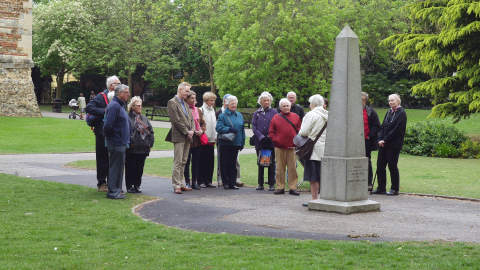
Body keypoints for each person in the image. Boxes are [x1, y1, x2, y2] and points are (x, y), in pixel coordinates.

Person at [85, 75, 121, 192]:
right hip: (101, 132)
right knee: (102, 158)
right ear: (111, 86)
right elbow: (89, 108)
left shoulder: (118, 98)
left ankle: (112, 183)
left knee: (113, 159)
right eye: (118, 83)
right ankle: (101, 183)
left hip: (115, 133)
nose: (120, 85)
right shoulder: (101, 97)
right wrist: (105, 111)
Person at [373, 94, 407, 196]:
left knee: (392, 166)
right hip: (383, 144)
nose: (390, 102)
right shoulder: (389, 112)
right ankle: (381, 188)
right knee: (380, 166)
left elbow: (396, 130)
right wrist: (379, 139)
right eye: (389, 101)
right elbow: (383, 127)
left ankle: (394, 189)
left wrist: (385, 140)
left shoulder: (402, 113)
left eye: (392, 100)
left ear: (398, 101)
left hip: (393, 145)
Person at [298, 95, 328, 206]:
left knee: (313, 176)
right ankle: (325, 199)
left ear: (313, 104)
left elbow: (303, 132)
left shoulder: (311, 115)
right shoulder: (329, 115)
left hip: (312, 149)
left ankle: (315, 200)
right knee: (323, 175)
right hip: (326, 150)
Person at [166, 82, 195, 194]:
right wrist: (186, 131)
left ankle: (182, 183)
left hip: (188, 136)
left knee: (184, 161)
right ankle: (176, 184)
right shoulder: (172, 102)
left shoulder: (185, 103)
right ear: (180, 90)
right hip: (179, 136)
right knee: (178, 161)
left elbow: (191, 119)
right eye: (186, 91)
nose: (188, 94)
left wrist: (192, 130)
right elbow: (176, 120)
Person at [103, 84, 131, 199]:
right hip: (116, 142)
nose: (128, 94)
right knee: (115, 167)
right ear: (119, 93)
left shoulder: (119, 105)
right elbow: (107, 126)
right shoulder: (114, 106)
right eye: (126, 92)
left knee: (119, 167)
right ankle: (113, 191)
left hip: (120, 142)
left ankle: (117, 190)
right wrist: (115, 138)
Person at [269, 98, 301, 195]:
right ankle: (280, 187)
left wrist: (296, 142)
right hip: (279, 148)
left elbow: (300, 130)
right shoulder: (275, 118)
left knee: (292, 169)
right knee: (279, 168)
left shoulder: (296, 117)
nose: (286, 107)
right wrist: (276, 140)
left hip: (292, 147)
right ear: (280, 107)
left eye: (287, 105)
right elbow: (271, 132)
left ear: (290, 106)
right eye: (284, 106)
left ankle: (293, 187)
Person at [125, 96, 154, 194]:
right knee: (130, 167)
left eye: (141, 105)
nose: (140, 107)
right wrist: (130, 142)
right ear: (132, 106)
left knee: (139, 168)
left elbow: (151, 131)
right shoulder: (128, 118)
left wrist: (150, 143)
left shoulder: (144, 118)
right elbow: (126, 132)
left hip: (143, 148)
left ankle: (137, 185)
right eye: (138, 105)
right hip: (132, 148)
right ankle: (129, 186)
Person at [216, 95, 245, 190]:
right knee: (225, 163)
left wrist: (242, 142)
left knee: (233, 164)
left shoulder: (239, 115)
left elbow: (242, 130)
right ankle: (226, 183)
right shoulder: (222, 115)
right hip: (225, 143)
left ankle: (232, 183)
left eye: (235, 103)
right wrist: (229, 129)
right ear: (227, 104)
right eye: (232, 103)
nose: (234, 105)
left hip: (236, 143)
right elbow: (218, 128)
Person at [252, 91, 277, 191]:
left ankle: (271, 184)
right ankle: (260, 184)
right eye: (264, 100)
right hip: (260, 142)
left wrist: (270, 136)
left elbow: (276, 126)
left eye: (268, 100)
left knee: (271, 163)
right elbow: (254, 127)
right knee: (260, 163)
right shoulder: (256, 113)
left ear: (270, 101)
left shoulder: (275, 112)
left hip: (271, 142)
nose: (266, 102)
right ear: (260, 102)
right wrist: (261, 136)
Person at [361, 92, 381, 191]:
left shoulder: (371, 112)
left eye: (362, 100)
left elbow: (376, 125)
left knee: (366, 160)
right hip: (353, 141)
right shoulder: (351, 111)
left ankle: (368, 183)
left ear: (365, 101)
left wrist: (369, 136)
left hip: (366, 140)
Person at [184, 91, 202, 190]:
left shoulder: (198, 110)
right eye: (192, 98)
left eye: (195, 98)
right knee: (186, 161)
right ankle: (187, 181)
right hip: (188, 137)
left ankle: (194, 182)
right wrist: (190, 130)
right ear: (187, 99)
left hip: (197, 138)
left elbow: (203, 123)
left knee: (196, 161)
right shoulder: (184, 110)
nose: (194, 100)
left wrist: (201, 131)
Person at [198, 91, 217, 188]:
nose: (213, 102)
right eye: (211, 100)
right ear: (206, 100)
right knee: (202, 160)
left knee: (210, 161)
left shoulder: (213, 110)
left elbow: (214, 124)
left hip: (212, 139)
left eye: (214, 100)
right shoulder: (201, 110)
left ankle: (208, 180)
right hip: (204, 139)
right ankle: (201, 180)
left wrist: (215, 135)